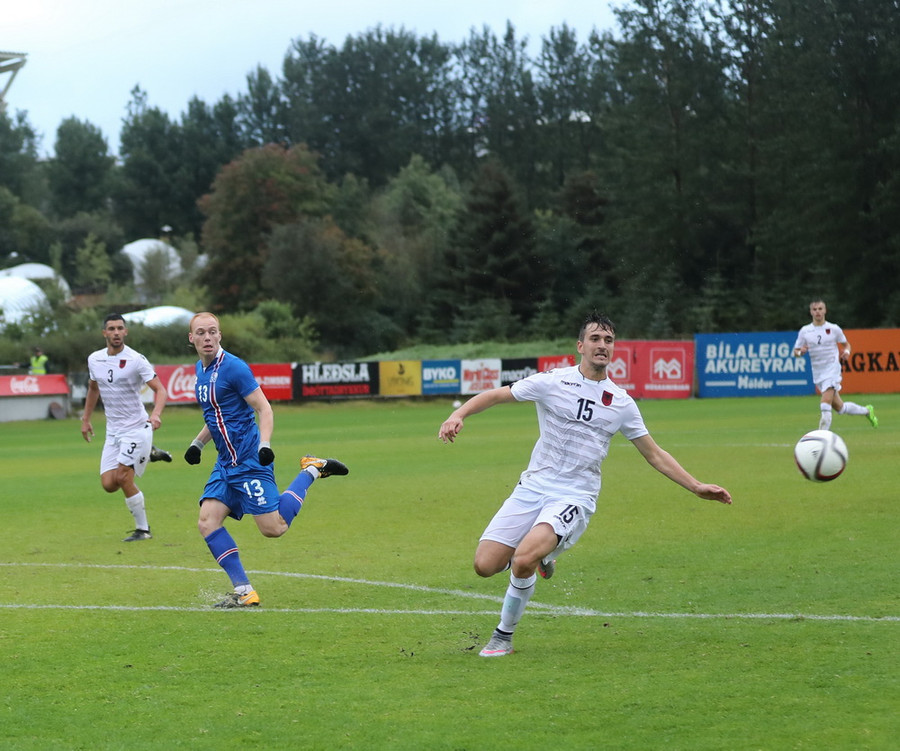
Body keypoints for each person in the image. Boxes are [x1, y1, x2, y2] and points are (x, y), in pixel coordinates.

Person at [438, 311, 733, 658]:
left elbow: (654, 454)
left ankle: (503, 637)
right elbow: (496, 395)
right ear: (580, 346)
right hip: (533, 487)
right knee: (485, 565)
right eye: (595, 339)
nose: (602, 345)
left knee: (523, 559)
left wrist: (696, 486)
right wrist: (458, 414)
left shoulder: (621, 402)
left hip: (575, 495)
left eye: (608, 340)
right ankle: (542, 556)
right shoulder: (553, 381)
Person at [183, 312, 349, 608]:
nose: (207, 337)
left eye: (212, 331)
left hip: (249, 460)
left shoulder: (235, 368)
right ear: (191, 338)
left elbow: (264, 408)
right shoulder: (200, 370)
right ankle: (244, 591)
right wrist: (198, 444)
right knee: (207, 521)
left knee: (274, 528)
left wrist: (265, 444)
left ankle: (312, 470)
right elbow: (216, 415)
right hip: (225, 463)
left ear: (220, 335)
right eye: (201, 333)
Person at [81, 313, 168, 542]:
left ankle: (143, 530)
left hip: (137, 428)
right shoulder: (95, 359)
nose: (116, 332)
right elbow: (93, 389)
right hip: (113, 432)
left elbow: (160, 390)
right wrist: (86, 419)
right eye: (112, 329)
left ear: (126, 332)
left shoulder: (136, 359)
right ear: (104, 333)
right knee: (108, 484)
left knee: (122, 477)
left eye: (120, 328)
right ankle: (149, 453)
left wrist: (156, 415)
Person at [793, 299, 877, 431]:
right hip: (818, 373)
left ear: (825, 310)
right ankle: (867, 411)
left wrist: (847, 352)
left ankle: (820, 439)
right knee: (840, 408)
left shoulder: (834, 329)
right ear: (811, 312)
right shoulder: (805, 331)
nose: (818, 312)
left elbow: (846, 345)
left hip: (832, 370)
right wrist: (800, 352)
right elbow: (795, 352)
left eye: (820, 309)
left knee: (824, 405)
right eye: (815, 309)